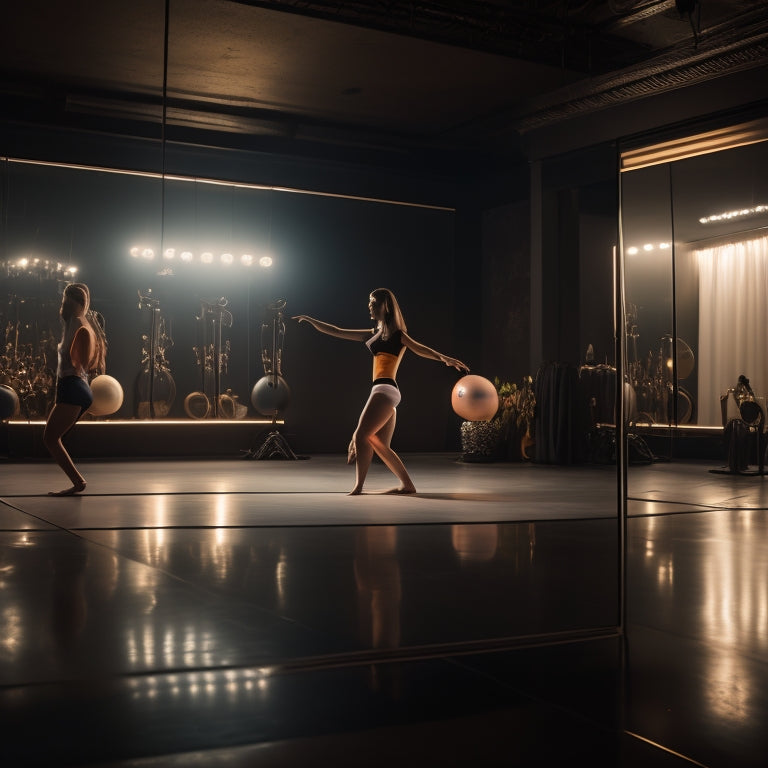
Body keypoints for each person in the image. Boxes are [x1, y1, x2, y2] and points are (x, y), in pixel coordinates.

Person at [294, 288, 468, 495]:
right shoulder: (372, 334)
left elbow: (420, 348)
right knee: (377, 442)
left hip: (385, 389)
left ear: (385, 306)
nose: (370, 306)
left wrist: (443, 358)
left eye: (374, 302)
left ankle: (359, 486)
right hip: (381, 391)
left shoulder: (398, 335)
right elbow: (337, 331)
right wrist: (311, 320)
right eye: (369, 302)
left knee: (360, 436)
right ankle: (407, 485)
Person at [43, 283, 107, 496]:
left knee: (51, 438)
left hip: (74, 388)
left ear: (76, 303)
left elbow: (80, 364)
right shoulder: (76, 323)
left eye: (67, 301)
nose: (63, 306)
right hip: (71, 387)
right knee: (51, 438)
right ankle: (78, 481)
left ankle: (78, 482)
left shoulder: (80, 325)